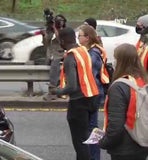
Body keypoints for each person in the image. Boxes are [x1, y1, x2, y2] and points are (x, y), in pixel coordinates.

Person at [51, 27, 99, 160]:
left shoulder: (70, 57)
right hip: (92, 97)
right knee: (86, 137)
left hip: (79, 102)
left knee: (80, 142)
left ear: (62, 40)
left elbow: (72, 86)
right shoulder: (83, 50)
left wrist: (57, 91)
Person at [99, 43, 148, 160]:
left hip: (124, 148)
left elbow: (116, 126)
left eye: (115, 59)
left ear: (121, 61)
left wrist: (104, 142)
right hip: (141, 141)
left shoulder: (119, 86)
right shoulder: (143, 81)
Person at [78, 24, 110, 160]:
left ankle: (94, 157)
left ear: (87, 37)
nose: (78, 38)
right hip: (94, 93)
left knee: (91, 128)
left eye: (80, 35)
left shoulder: (93, 53)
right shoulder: (90, 51)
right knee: (91, 126)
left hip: (93, 94)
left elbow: (89, 73)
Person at [42, 14, 67, 101]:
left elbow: (61, 40)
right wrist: (46, 33)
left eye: (61, 21)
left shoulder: (65, 31)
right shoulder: (51, 31)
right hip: (51, 56)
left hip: (60, 55)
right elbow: (46, 44)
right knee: (54, 63)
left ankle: (52, 92)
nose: (60, 23)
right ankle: (54, 91)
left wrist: (55, 29)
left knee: (55, 64)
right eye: (58, 21)